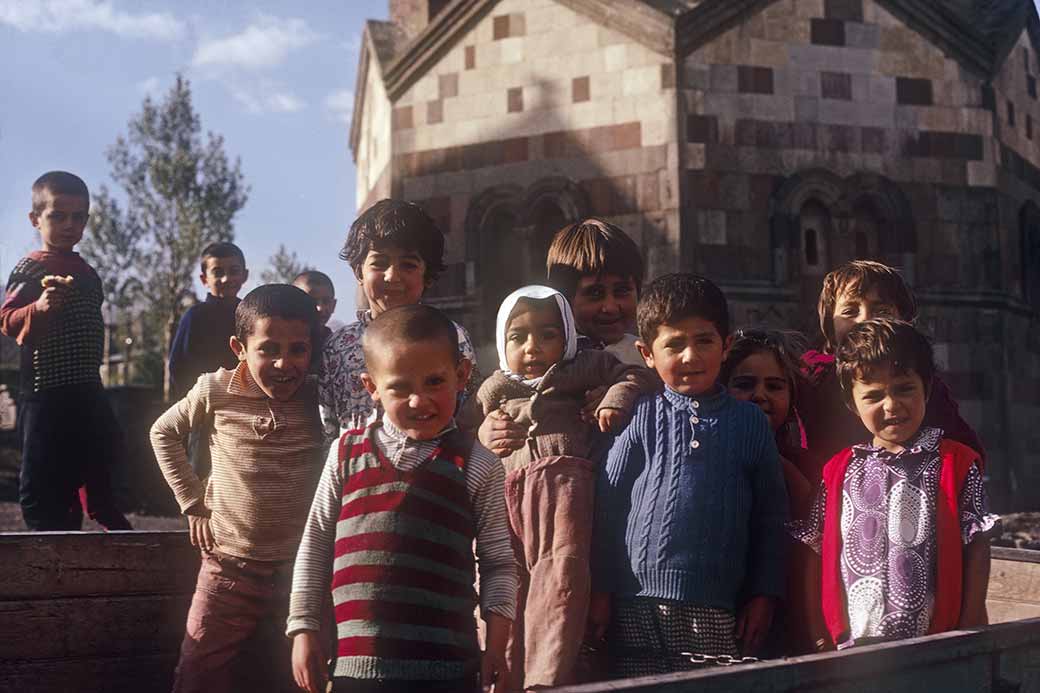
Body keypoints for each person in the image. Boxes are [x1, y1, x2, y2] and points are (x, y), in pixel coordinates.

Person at [287, 304, 516, 693]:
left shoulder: (478, 464)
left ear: (461, 375)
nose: (418, 401)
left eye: (434, 382)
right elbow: (315, 545)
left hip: (448, 672)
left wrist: (496, 645)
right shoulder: (345, 454)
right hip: (356, 671)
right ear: (372, 387)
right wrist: (304, 628)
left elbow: (498, 563)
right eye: (400, 387)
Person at [589, 274, 787, 677]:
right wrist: (602, 589)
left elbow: (771, 517)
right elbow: (607, 507)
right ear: (647, 353)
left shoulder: (749, 423)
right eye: (674, 344)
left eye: (704, 341)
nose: (690, 356)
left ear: (725, 345)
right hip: (635, 602)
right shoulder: (640, 415)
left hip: (716, 605)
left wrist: (764, 594)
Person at [476, 285, 658, 689]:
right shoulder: (496, 387)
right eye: (518, 337)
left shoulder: (583, 367)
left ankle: (545, 680)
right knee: (505, 586)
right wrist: (483, 434)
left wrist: (614, 399)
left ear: (567, 338)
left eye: (548, 334)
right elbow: (467, 422)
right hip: (507, 502)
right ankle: (502, 678)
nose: (532, 347)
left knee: (561, 584)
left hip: (563, 495)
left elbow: (636, 375)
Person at [150, 284, 325, 693]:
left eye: (298, 349)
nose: (284, 363)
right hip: (228, 568)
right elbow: (163, 432)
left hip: (300, 572)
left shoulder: (318, 397)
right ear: (240, 348)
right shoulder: (216, 389)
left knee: (304, 674)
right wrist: (192, 502)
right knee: (198, 669)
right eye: (268, 349)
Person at [789, 319, 998, 650]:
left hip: (935, 644)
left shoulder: (955, 464)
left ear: (926, 388)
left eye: (904, 389)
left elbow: (977, 543)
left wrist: (970, 625)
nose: (891, 405)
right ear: (852, 404)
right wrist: (819, 632)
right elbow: (816, 551)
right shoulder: (838, 471)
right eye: (873, 395)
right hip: (854, 647)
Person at [0, 171, 131, 531]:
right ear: (35, 219)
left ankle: (105, 516)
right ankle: (47, 540)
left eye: (78, 217)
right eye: (58, 216)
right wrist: (39, 308)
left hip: (87, 385)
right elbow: (7, 318)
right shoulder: (31, 269)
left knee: (103, 452)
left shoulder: (87, 273)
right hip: (46, 389)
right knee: (43, 476)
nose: (69, 225)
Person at [799, 260, 984, 484]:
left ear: (904, 321)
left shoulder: (923, 384)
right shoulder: (810, 381)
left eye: (882, 310)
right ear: (830, 327)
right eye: (850, 311)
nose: (865, 319)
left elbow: (964, 455)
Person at [481, 218, 645, 459]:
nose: (610, 307)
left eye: (621, 291)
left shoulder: (648, 356)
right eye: (595, 294)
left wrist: (626, 396)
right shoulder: (543, 359)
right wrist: (485, 432)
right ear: (564, 300)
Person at [319, 199, 479, 441]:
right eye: (379, 263)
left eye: (408, 265)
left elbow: (470, 413)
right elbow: (327, 427)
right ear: (359, 271)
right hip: (355, 463)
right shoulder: (337, 346)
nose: (392, 276)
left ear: (427, 275)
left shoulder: (452, 337)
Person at [721, 328, 820, 655]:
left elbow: (813, 519)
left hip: (787, 616)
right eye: (744, 384)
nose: (760, 395)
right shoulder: (709, 456)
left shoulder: (806, 465)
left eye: (775, 386)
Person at [167, 241, 249, 480]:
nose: (226, 278)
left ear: (245, 275)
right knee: (202, 476)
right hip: (206, 414)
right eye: (218, 272)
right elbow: (178, 366)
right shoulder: (195, 316)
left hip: (244, 410)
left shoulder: (250, 315)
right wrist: (194, 407)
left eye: (234, 271)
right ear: (204, 279)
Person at [293, 269, 337, 372]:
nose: (320, 308)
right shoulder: (281, 342)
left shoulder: (339, 346)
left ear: (333, 305)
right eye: (311, 301)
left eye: (326, 301)